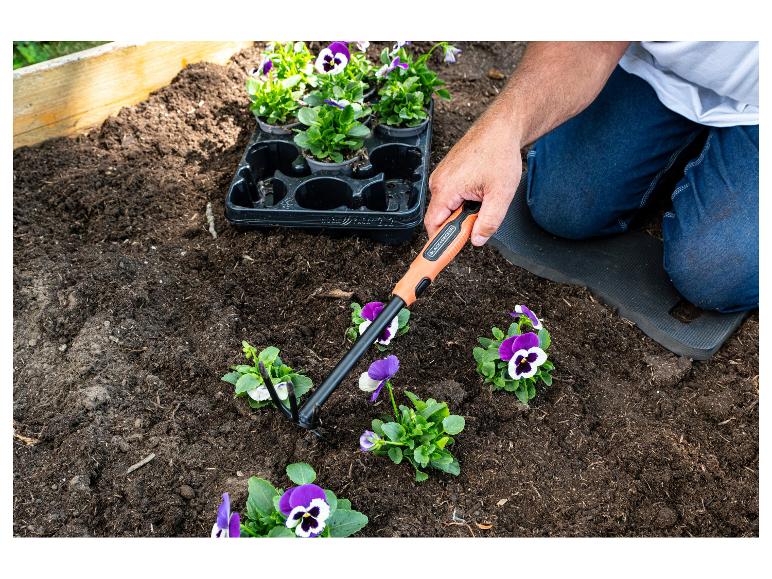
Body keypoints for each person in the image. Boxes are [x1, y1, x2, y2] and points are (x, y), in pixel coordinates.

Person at [425, 42, 758, 312]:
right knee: (564, 205)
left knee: (714, 273)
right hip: (659, 65)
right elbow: (590, 43)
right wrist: (502, 129)